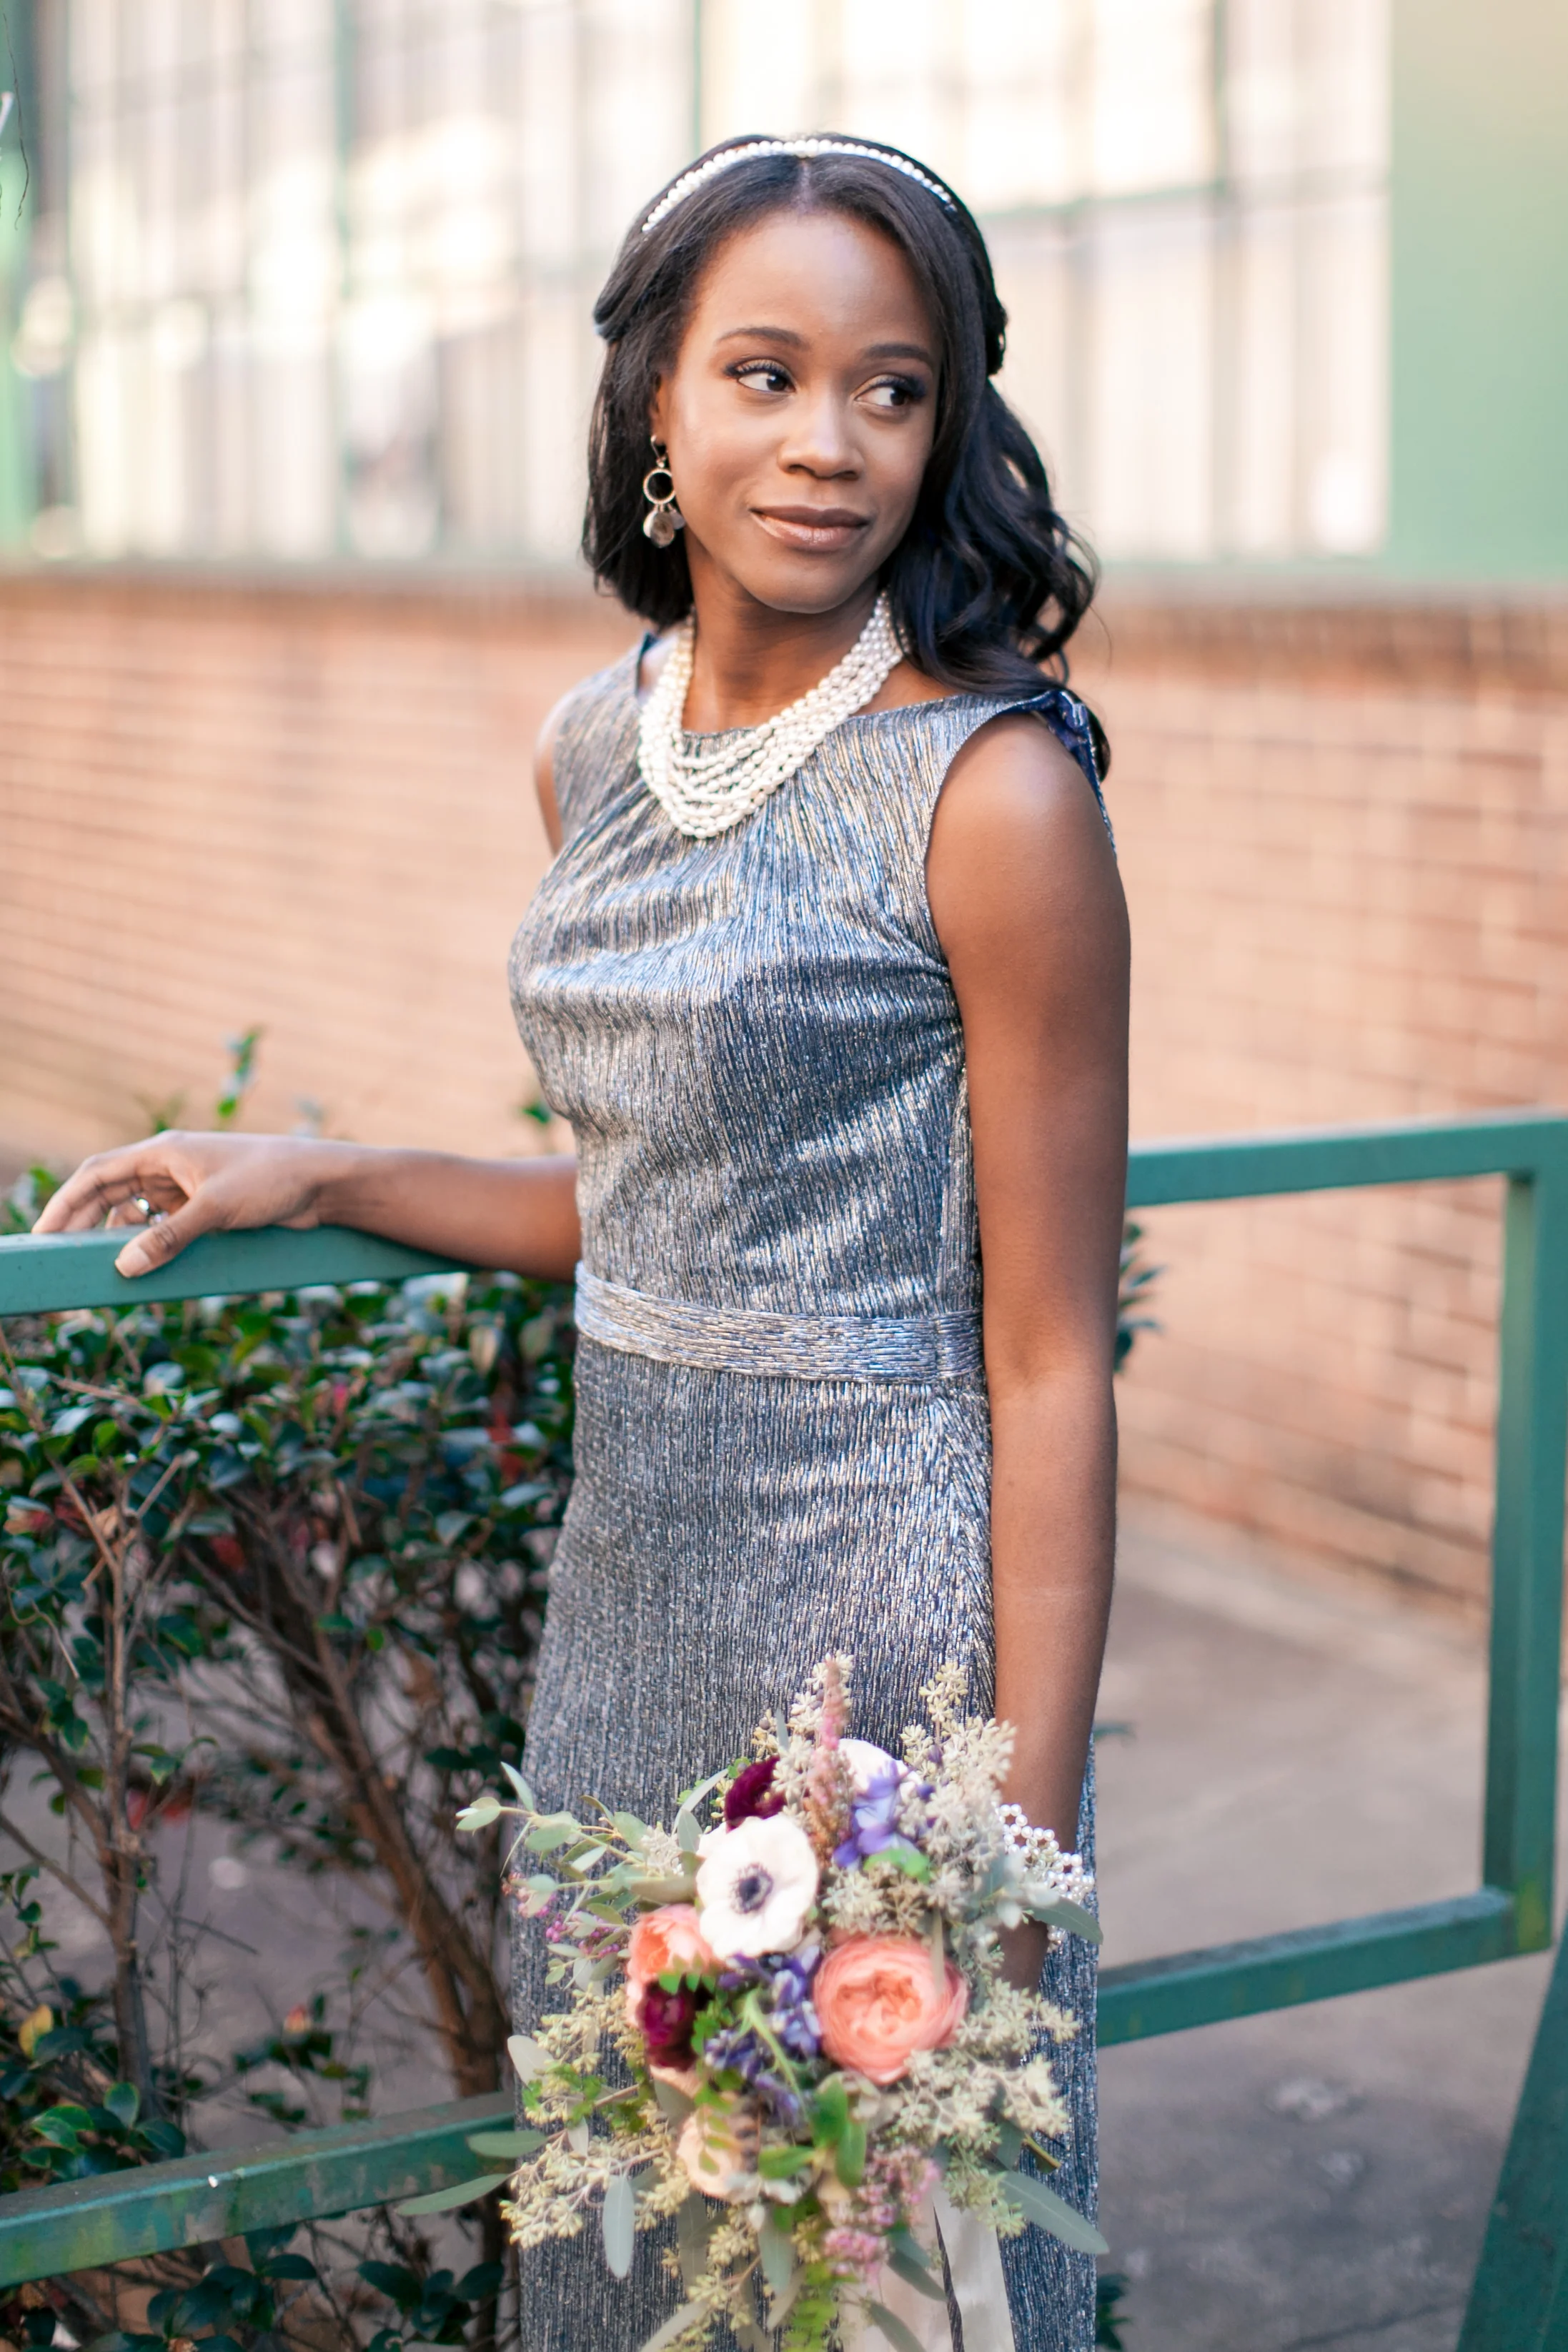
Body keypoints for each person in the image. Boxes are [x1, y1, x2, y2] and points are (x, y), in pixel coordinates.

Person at [36, 135, 1129, 2351]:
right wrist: (322, 1173)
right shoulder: (588, 753)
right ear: (656, 404)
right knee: (643, 2230)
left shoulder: (995, 794)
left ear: (950, 425)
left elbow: (1049, 1359)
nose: (830, 444)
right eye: (768, 374)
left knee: (883, 2267)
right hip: (628, 1612)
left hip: (885, 1662)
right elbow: (638, 1212)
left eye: (894, 391)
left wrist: (1010, 1844)